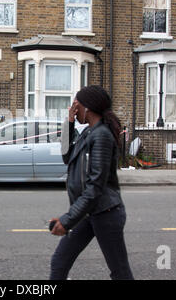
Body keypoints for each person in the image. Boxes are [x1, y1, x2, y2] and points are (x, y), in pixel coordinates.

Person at [49, 85, 134, 280]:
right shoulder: (89, 132)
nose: (73, 109)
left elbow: (95, 186)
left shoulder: (101, 135)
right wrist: (69, 123)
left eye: (76, 105)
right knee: (59, 262)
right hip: (88, 211)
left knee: (120, 272)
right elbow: (66, 156)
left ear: (87, 107)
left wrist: (68, 219)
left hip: (106, 213)